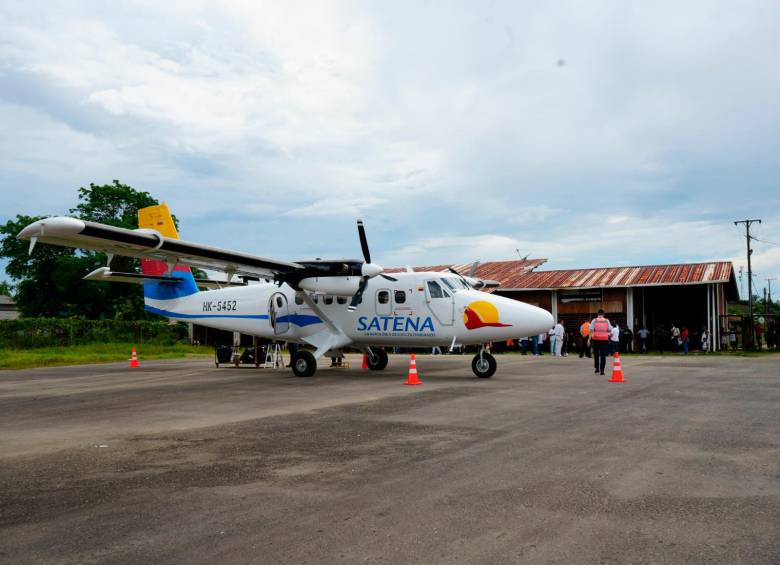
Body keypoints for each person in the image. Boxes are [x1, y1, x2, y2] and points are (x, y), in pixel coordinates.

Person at [589, 309, 613, 375]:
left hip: (596, 339)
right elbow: (610, 329)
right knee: (603, 355)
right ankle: (602, 371)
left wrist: (589, 339)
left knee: (596, 354)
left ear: (597, 314)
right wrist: (608, 334)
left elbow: (591, 330)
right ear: (603, 314)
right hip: (604, 339)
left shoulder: (594, 320)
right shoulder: (607, 320)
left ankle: (597, 368)